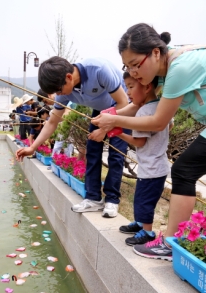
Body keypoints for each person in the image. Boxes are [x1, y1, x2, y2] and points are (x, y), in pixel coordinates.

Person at [91, 23, 206, 260]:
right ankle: (174, 242)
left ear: (155, 52)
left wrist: (113, 123)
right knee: (184, 171)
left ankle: (171, 244)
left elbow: (157, 122)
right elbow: (138, 107)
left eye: (135, 65)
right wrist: (111, 116)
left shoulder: (179, 68)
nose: (132, 73)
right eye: (128, 67)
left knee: (184, 171)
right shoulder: (162, 71)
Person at [16, 56, 129, 218]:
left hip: (120, 107)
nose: (58, 95)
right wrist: (32, 147)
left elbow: (123, 103)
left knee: (116, 153)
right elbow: (52, 122)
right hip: (101, 110)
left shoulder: (99, 70)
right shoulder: (64, 92)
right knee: (92, 150)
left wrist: (104, 129)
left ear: (69, 77)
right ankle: (93, 198)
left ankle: (112, 199)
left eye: (59, 91)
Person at [117, 72, 170, 246]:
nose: (128, 92)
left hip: (151, 169)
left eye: (131, 87)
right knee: (142, 199)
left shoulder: (143, 112)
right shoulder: (162, 106)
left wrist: (119, 134)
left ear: (147, 86)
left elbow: (139, 142)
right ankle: (140, 224)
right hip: (157, 166)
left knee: (144, 201)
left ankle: (147, 232)